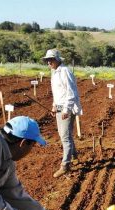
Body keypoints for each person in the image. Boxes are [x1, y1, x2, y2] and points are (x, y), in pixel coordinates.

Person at [42, 49, 82, 178]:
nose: (49, 62)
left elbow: (71, 93)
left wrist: (66, 109)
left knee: (64, 137)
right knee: (65, 135)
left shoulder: (65, 72)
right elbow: (58, 93)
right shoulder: (54, 72)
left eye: (51, 60)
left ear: (58, 59)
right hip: (59, 107)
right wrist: (54, 106)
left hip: (66, 108)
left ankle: (65, 165)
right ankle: (75, 157)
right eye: (47, 60)